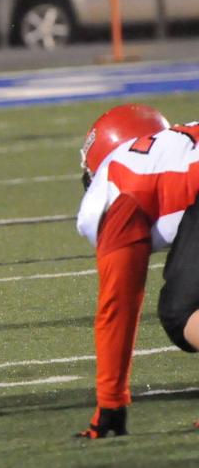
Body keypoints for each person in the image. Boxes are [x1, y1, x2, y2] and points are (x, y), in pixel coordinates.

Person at [74, 103, 199, 438]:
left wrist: (110, 402)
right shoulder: (175, 149)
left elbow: (119, 304)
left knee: (182, 311)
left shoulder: (117, 179)